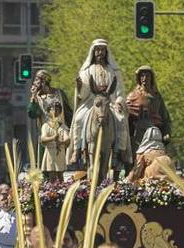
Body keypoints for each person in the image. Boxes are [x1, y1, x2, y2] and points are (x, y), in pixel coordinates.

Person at [70, 38, 125, 166]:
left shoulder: (114, 71)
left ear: (106, 52)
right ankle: (77, 149)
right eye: (97, 50)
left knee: (121, 119)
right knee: (78, 118)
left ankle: (120, 151)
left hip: (109, 101)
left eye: (102, 50)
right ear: (93, 52)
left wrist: (118, 101)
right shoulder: (86, 70)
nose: (100, 53)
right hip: (91, 101)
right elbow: (83, 94)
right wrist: (79, 86)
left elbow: (119, 90)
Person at [40, 100, 71, 181]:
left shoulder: (62, 125)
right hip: (50, 152)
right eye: (52, 110)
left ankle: (62, 189)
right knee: (52, 174)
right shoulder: (46, 126)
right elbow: (43, 138)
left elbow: (67, 138)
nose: (55, 112)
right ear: (48, 111)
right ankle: (52, 190)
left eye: (57, 110)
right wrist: (53, 137)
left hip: (59, 152)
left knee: (60, 174)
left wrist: (62, 142)